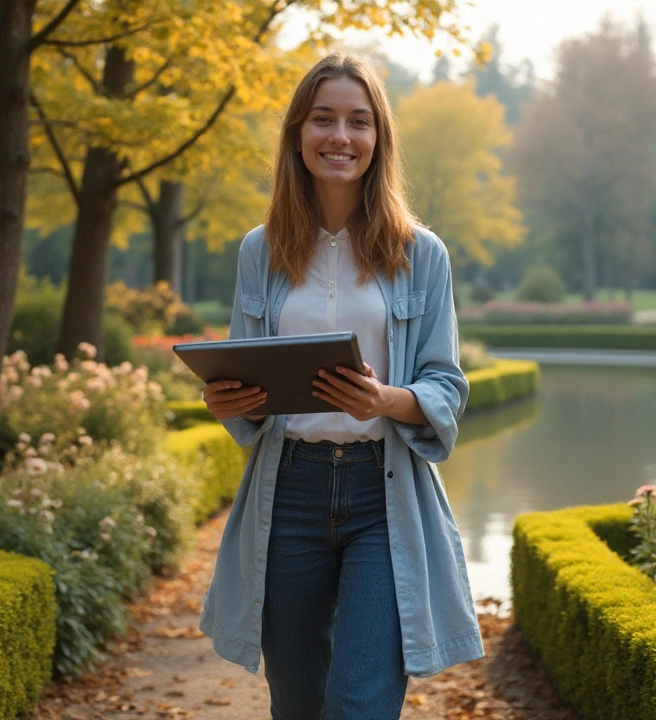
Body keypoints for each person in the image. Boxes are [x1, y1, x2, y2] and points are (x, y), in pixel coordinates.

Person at [198, 52, 482, 720]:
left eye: (358, 122)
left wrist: (388, 400)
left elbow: (446, 382)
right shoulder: (259, 250)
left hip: (383, 496)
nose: (340, 137)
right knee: (297, 703)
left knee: (358, 700)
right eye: (323, 119)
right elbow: (246, 373)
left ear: (378, 139)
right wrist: (226, 400)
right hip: (287, 490)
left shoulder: (422, 254)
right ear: (298, 133)